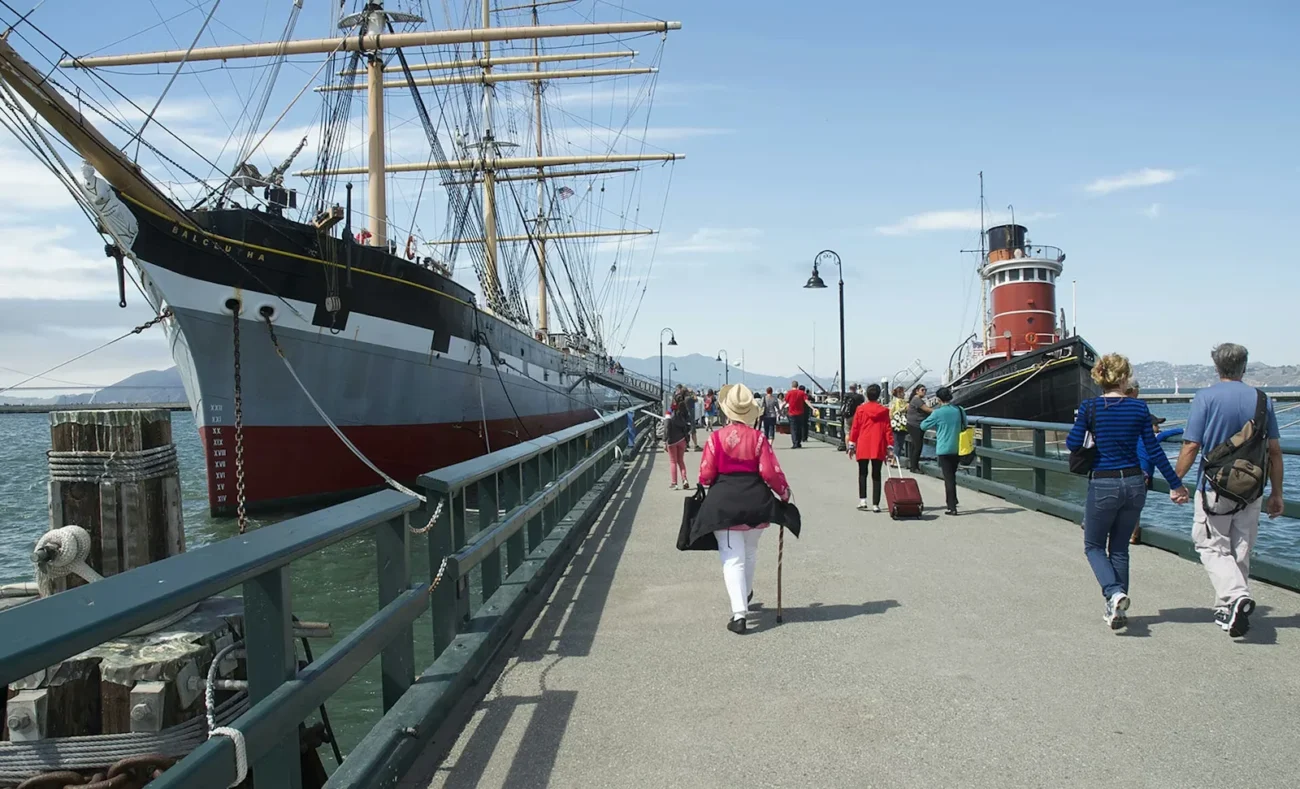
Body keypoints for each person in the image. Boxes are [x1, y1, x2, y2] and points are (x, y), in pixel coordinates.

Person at [1067, 353, 1189, 631]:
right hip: (1135, 483)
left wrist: (1091, 433)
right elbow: (1155, 450)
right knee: (1120, 548)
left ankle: (1113, 592)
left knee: (1094, 546)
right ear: (1123, 378)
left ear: (1099, 378)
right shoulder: (1138, 408)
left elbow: (1074, 443)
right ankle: (1115, 610)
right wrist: (1175, 484)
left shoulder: (1090, 408)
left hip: (1104, 483)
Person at [1173, 343, 1284, 638]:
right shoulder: (1263, 399)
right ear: (1244, 367)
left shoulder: (1205, 397)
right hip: (1252, 487)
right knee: (1240, 547)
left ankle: (1235, 596)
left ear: (1216, 367)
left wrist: (1176, 480)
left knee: (1210, 545)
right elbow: (1274, 451)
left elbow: (1192, 445)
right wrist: (1277, 493)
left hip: (1215, 486)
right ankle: (1229, 610)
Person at [689, 384, 791, 634]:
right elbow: (769, 472)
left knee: (732, 557)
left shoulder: (715, 439)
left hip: (725, 502)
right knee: (750, 552)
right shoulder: (759, 439)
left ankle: (739, 614)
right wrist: (785, 493)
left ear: (726, 411)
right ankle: (744, 594)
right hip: (756, 501)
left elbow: (705, 475)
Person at [1133, 415, 1184, 543]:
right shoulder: (1152, 438)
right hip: (1143, 475)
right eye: (1156, 425)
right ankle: (1133, 535)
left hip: (1132, 472)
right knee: (1137, 507)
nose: (1158, 428)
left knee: (1128, 506)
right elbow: (1168, 433)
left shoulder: (1135, 437)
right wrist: (1183, 430)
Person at [920, 387, 965, 515]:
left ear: (939, 400)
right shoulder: (960, 410)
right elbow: (965, 424)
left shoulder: (937, 413)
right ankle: (953, 500)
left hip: (944, 448)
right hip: (958, 447)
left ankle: (952, 507)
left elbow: (923, 425)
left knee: (948, 478)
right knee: (953, 475)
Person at [847, 384, 891, 511]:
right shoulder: (884, 411)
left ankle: (863, 500)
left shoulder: (861, 409)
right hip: (877, 444)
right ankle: (876, 504)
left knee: (862, 472)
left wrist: (851, 444)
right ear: (879, 395)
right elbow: (888, 429)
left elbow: (855, 428)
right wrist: (890, 446)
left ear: (867, 394)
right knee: (876, 474)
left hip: (863, 443)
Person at [664, 390, 692, 490]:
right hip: (682, 439)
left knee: (673, 461)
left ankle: (674, 483)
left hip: (672, 440)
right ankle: (685, 480)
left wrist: (665, 440)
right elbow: (689, 424)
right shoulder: (685, 411)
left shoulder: (669, 411)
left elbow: (667, 426)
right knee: (681, 461)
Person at [905, 385, 932, 472]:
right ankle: (914, 467)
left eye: (925, 390)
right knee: (918, 446)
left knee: (914, 446)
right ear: (917, 391)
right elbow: (927, 410)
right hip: (915, 425)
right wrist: (940, 412)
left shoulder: (916, 399)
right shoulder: (917, 400)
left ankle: (912, 464)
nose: (924, 391)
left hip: (914, 425)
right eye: (922, 390)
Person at [888, 386, 909, 467]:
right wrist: (905, 407)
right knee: (899, 443)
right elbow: (900, 410)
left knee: (896, 442)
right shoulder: (900, 402)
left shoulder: (892, 401)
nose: (904, 394)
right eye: (903, 392)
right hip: (900, 424)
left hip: (895, 424)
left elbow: (891, 412)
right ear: (900, 393)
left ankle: (894, 459)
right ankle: (895, 459)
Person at [785, 381, 808, 448]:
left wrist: (780, 409)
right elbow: (806, 401)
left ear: (792, 386)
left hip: (792, 413)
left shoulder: (789, 393)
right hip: (800, 413)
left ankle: (795, 443)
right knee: (799, 428)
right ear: (797, 386)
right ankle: (799, 442)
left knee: (793, 429)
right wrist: (813, 408)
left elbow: (785, 402)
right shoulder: (801, 393)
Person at [842, 383, 865, 451]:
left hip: (847, 416)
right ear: (856, 388)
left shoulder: (846, 395)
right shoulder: (859, 396)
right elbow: (864, 400)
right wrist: (861, 392)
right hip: (856, 416)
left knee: (847, 433)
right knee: (856, 432)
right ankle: (855, 448)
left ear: (849, 388)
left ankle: (848, 448)